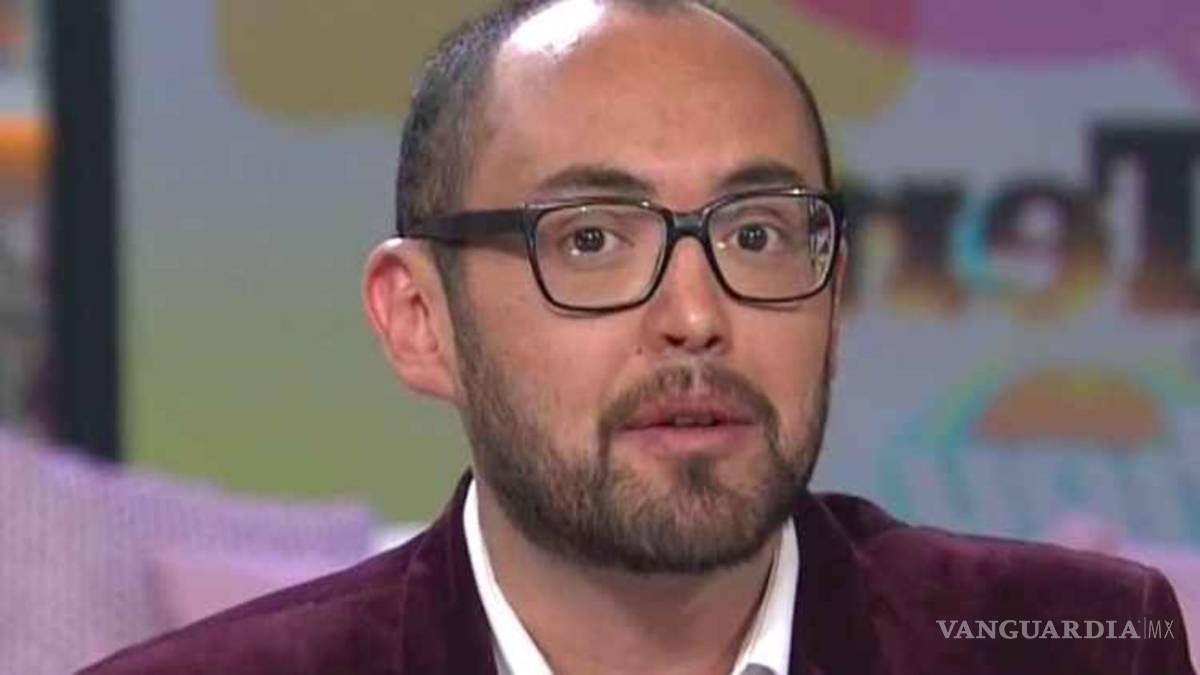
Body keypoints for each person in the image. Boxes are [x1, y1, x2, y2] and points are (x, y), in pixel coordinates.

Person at [83, 0, 1193, 673]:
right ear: (419, 320)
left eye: (756, 234)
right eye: (592, 240)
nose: (697, 317)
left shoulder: (1079, 647)